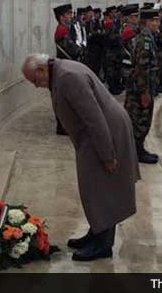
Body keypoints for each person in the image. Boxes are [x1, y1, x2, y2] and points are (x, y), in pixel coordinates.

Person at [22, 54, 141, 261]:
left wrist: (108, 155)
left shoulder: (67, 77)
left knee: (102, 187)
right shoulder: (59, 72)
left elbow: (94, 118)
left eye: (34, 80)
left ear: (42, 70)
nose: (35, 86)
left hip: (105, 133)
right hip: (93, 135)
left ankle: (103, 245)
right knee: (93, 186)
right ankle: (96, 231)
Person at [124, 8, 160, 164]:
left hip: (140, 87)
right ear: (147, 22)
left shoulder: (145, 37)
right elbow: (142, 68)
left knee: (137, 120)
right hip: (140, 89)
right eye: (154, 20)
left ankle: (137, 149)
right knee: (140, 121)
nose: (157, 23)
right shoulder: (145, 40)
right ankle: (137, 151)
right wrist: (144, 91)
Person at [53, 3, 79, 135]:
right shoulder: (62, 30)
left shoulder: (66, 28)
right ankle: (62, 127)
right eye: (68, 14)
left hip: (66, 67)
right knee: (64, 99)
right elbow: (71, 50)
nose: (71, 16)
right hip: (65, 68)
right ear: (61, 17)